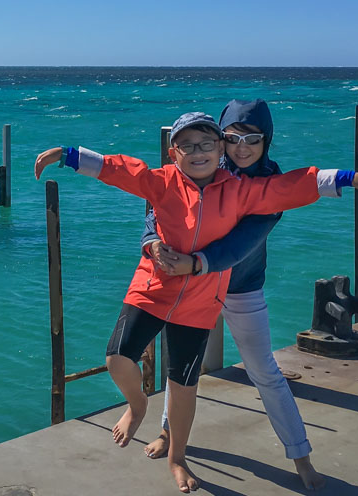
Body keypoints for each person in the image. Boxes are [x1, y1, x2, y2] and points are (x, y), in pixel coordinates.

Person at [33, 112, 358, 493]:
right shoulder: (163, 181)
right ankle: (138, 405)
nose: (200, 152)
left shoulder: (241, 190)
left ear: (220, 148)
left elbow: (287, 188)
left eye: (208, 144)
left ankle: (181, 458)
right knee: (117, 357)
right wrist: (69, 154)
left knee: (186, 384)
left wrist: (345, 178)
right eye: (189, 146)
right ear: (173, 151)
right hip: (154, 286)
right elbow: (122, 171)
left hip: (206, 296)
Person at [141, 99, 325, 491]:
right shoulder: (204, 163)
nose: (242, 148)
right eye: (232, 138)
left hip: (241, 286)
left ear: (267, 141)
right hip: (196, 287)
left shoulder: (273, 188)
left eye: (253, 139)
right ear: (220, 139)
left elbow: (239, 246)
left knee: (265, 372)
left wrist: (194, 263)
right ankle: (168, 436)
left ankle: (301, 458)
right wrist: (153, 239)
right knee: (182, 369)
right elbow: (160, 201)